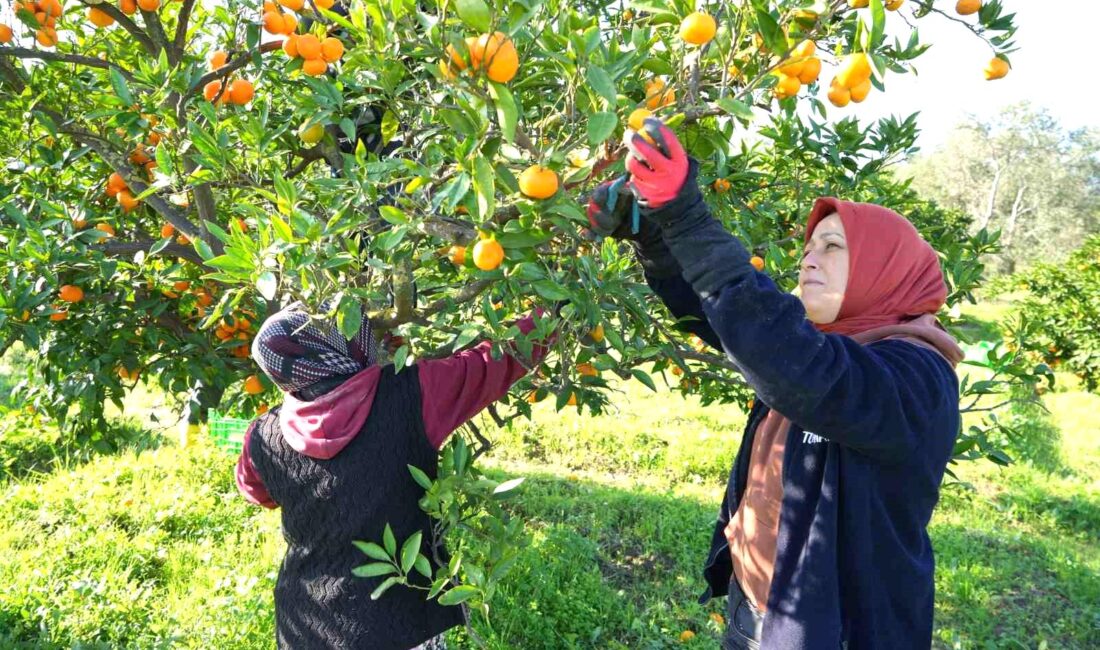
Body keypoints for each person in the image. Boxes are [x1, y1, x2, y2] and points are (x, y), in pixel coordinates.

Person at [586, 119, 964, 650]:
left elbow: (798, 368)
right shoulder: (824, 345)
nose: (810, 256)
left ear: (887, 269)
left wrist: (686, 215)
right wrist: (654, 237)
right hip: (755, 613)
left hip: (832, 632)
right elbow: (726, 323)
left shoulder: (917, 375)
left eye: (833, 246)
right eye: (810, 245)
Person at [234, 302, 550, 650]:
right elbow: (494, 362)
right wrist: (555, 311)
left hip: (307, 625)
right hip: (400, 627)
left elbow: (256, 492)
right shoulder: (414, 393)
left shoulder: (263, 435)